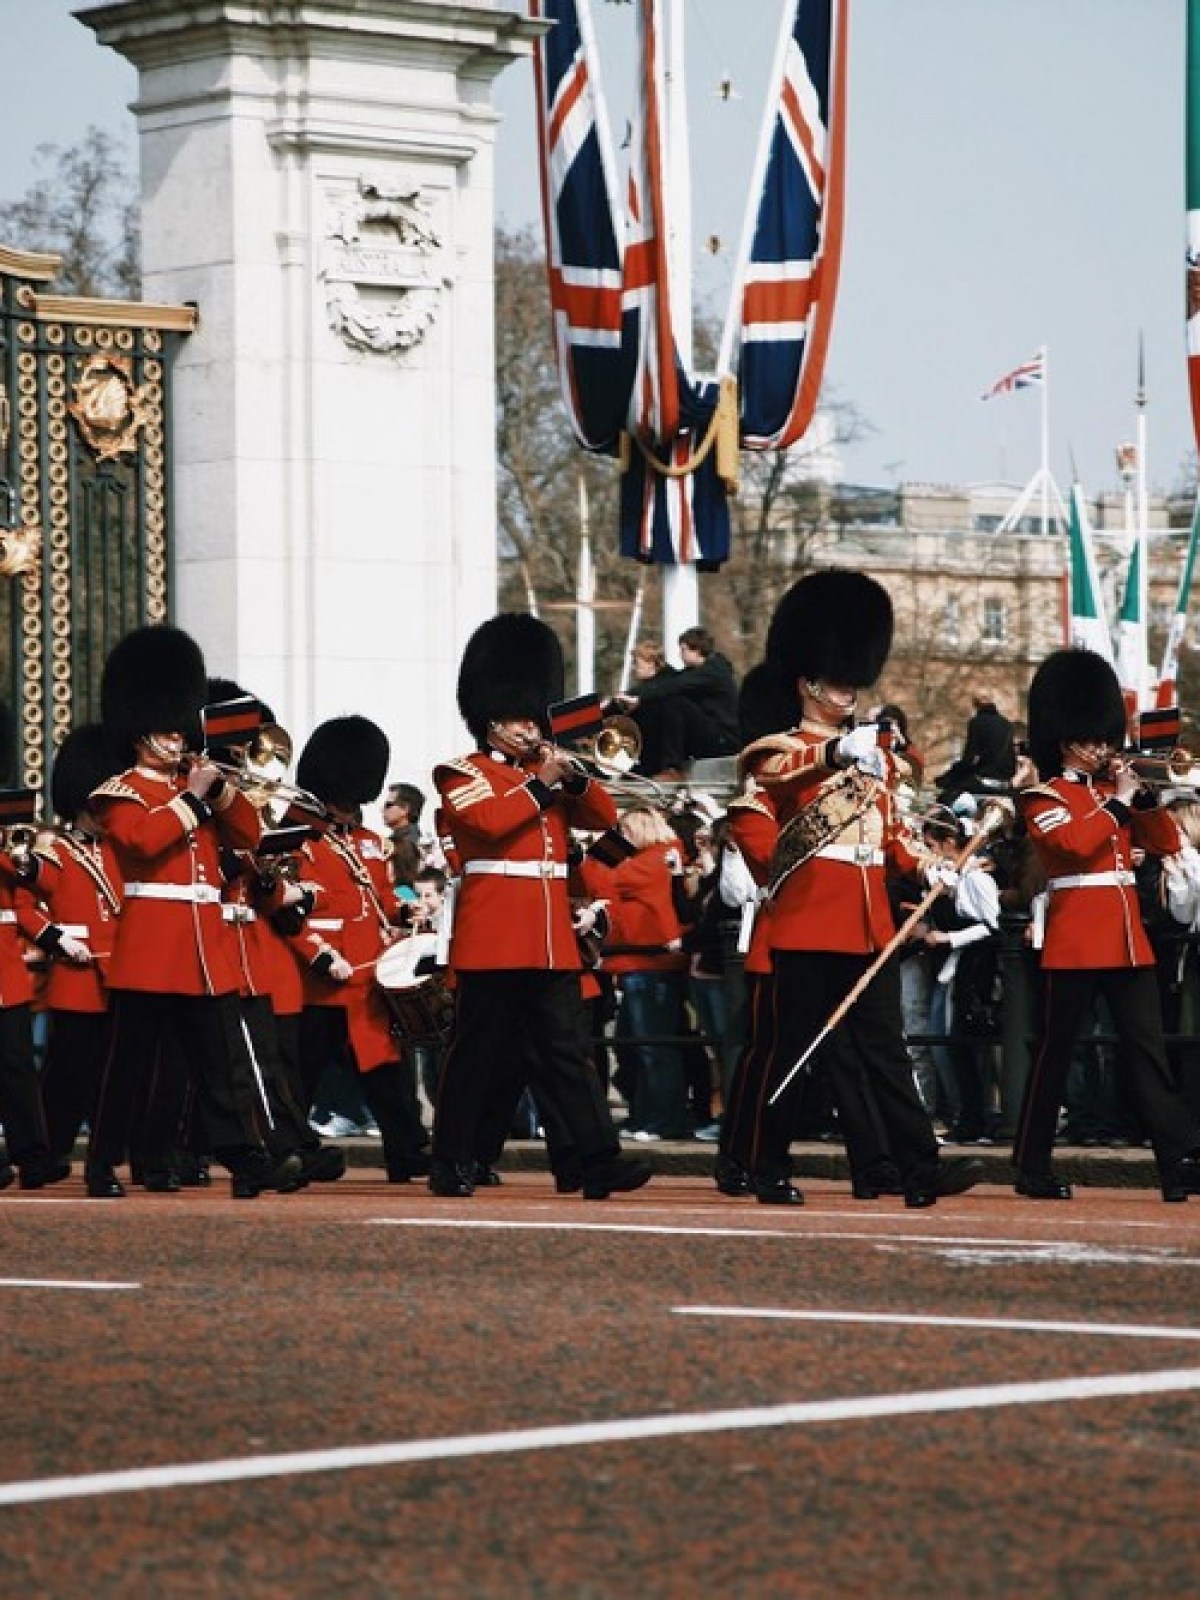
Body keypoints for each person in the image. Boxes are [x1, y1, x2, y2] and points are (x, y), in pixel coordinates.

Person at [735, 571, 985, 1207]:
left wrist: (930, 868)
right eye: (835, 679)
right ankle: (768, 1168)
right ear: (807, 682)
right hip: (807, 921)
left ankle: (918, 1169)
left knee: (885, 1052)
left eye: (851, 679)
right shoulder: (781, 749)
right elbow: (784, 781)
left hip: (866, 920)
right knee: (795, 1052)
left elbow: (892, 835)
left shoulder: (875, 764)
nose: (846, 690)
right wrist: (835, 754)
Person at [430, 611, 653, 1200]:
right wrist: (542, 784)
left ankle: (597, 1160)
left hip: (548, 936)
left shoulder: (548, 772)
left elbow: (604, 819)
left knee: (567, 1054)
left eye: (534, 717)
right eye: (516, 719)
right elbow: (489, 822)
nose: (529, 730)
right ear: (489, 721)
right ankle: (450, 1159)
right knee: (476, 1056)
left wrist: (574, 780)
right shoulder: (461, 773)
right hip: (495, 934)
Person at [84, 625, 302, 1200]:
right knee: (130, 1067)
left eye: (181, 728)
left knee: (217, 1064)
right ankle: (103, 1163)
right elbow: (144, 843)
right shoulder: (118, 792)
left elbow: (251, 833)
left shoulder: (199, 787)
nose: (178, 740)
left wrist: (222, 793)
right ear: (139, 735)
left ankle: (242, 1159)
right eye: (166, 731)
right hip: (153, 947)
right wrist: (191, 797)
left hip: (205, 948)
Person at [1012, 647, 1200, 1202]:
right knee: (1054, 1055)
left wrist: (1143, 802)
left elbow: (1167, 845)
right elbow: (1072, 845)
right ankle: (1031, 1164)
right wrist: (1116, 805)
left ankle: (1177, 1162)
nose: (1100, 748)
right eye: (1089, 739)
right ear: (1063, 739)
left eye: (1103, 738)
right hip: (1074, 941)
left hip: (1127, 939)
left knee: (1148, 1054)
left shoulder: (1110, 793)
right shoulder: (1043, 796)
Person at [291, 716, 431, 1182]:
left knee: (387, 1072)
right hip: (321, 979)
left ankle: (408, 1150)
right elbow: (284, 908)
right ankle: (293, 1148)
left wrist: (408, 909)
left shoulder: (369, 843)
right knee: (300, 1075)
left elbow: (387, 897)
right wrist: (319, 954)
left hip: (367, 977)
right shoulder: (299, 838)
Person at [18, 724, 124, 1165]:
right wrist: (56, 937)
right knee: (68, 1070)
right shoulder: (58, 852)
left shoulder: (121, 852)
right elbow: (27, 902)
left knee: (111, 1071)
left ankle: (109, 1150)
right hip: (77, 978)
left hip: (117, 973)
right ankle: (50, 1149)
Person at [581, 803, 690, 1141]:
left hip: (651, 964)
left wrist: (601, 849)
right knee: (635, 1046)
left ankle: (661, 1120)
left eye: (624, 835)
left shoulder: (657, 859)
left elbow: (600, 878)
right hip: (637, 964)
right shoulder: (655, 859)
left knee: (652, 1047)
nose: (620, 842)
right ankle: (644, 1114)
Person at [611, 627, 739, 780]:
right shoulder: (695, 672)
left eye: (683, 649)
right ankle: (646, 767)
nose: (680, 654)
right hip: (708, 734)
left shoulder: (714, 671)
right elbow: (669, 683)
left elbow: (674, 686)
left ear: (696, 650)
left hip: (722, 740)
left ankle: (672, 767)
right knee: (656, 705)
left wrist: (640, 698)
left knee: (674, 703)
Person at [935, 689, 1017, 800]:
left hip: (984, 778)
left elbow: (969, 757)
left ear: (975, 705)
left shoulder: (977, 722)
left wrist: (956, 771)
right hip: (1004, 781)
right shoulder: (1007, 724)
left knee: (948, 795)